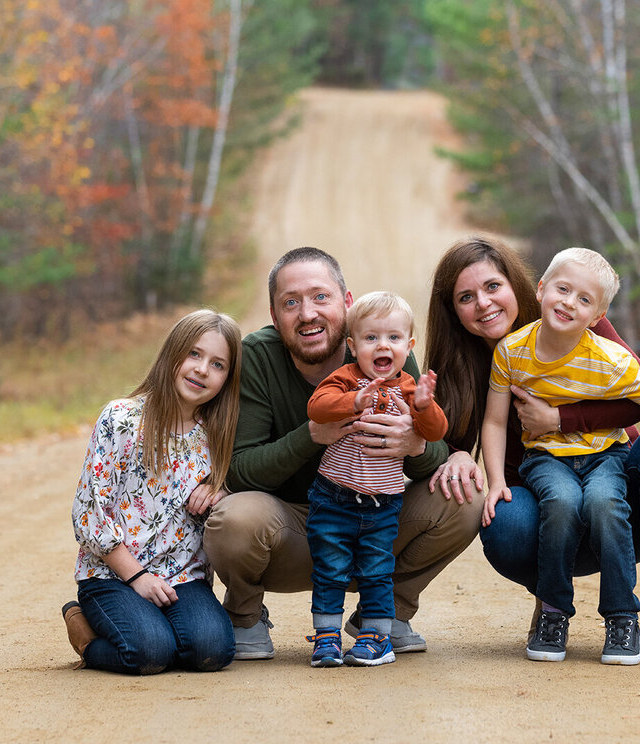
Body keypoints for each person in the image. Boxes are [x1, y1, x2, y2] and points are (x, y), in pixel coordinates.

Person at [425, 237, 640, 666]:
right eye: (465, 297)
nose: (483, 304)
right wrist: (455, 452)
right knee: (501, 518)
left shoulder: (576, 316)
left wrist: (561, 420)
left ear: (524, 286)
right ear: (453, 309)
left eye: (492, 287)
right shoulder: (491, 356)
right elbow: (456, 425)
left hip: (612, 483)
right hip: (545, 494)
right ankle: (552, 605)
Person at [202, 247, 481, 660]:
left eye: (320, 297)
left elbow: (433, 451)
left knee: (465, 499)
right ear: (275, 316)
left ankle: (384, 616)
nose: (308, 313)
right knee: (234, 519)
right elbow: (242, 471)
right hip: (292, 528)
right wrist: (312, 435)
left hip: (376, 516)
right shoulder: (258, 357)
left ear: (347, 304)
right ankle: (245, 617)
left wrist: (414, 445)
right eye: (291, 303)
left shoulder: (385, 347)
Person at [61, 309, 240, 675]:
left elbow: (237, 499)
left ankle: (157, 628)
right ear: (171, 354)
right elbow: (88, 513)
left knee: (212, 651)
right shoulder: (122, 419)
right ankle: (88, 637)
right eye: (193, 354)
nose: (202, 369)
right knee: (150, 653)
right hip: (113, 576)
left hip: (182, 576)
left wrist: (221, 495)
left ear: (227, 378)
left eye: (217, 364)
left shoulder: (217, 436)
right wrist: (137, 578)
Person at [304, 291, 448, 667]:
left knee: (377, 571)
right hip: (333, 497)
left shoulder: (410, 389)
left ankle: (375, 638)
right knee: (330, 567)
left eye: (394, 338)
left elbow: (435, 431)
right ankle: (326, 638)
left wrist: (423, 406)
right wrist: (353, 402)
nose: (382, 345)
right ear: (352, 346)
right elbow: (316, 408)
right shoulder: (345, 380)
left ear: (408, 346)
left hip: (382, 504)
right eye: (371, 338)